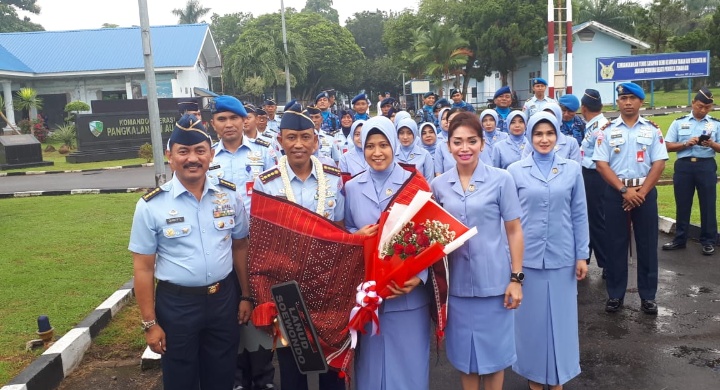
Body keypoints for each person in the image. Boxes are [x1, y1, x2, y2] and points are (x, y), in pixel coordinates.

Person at [129, 114, 253, 390]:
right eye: (183, 152)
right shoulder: (151, 205)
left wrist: (246, 295)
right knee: (180, 377)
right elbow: (143, 267)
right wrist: (150, 323)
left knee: (222, 373)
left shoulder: (228, 196)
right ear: (170, 156)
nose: (192, 158)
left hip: (224, 299)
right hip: (177, 305)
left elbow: (240, 246)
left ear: (210, 154)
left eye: (199, 151)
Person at [253, 103, 346, 390]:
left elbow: (340, 230)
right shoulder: (266, 183)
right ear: (279, 141)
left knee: (333, 366)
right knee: (292, 370)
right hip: (286, 289)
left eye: (306, 137)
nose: (298, 144)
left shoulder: (333, 177)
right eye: (291, 137)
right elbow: (260, 243)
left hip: (327, 286)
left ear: (316, 141)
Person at [431, 111, 523, 390]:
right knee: (465, 359)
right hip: (457, 288)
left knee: (495, 359)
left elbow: (514, 230)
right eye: (457, 142)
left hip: (494, 285)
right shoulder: (438, 186)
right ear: (448, 146)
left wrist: (516, 279)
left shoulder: (501, 179)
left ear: (482, 143)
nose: (465, 148)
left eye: (472, 141)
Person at [344, 116, 432, 390]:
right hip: (368, 296)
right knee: (371, 367)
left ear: (394, 145)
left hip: (407, 296)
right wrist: (355, 237)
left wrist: (419, 276)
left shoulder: (415, 184)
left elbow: (431, 233)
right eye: (370, 145)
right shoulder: (351, 188)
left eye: (383, 144)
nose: (377, 152)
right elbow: (346, 231)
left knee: (409, 366)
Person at [507, 112, 589, 390]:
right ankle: (534, 378)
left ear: (558, 136)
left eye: (550, 133)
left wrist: (581, 254)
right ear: (529, 136)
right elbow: (508, 221)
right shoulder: (515, 171)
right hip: (527, 260)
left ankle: (558, 380)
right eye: (538, 134)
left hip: (562, 258)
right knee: (532, 326)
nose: (544, 139)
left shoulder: (571, 169)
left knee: (562, 325)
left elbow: (579, 213)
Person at [593, 82, 668, 314]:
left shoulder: (653, 131)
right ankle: (615, 294)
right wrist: (625, 191)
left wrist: (642, 192)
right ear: (617, 102)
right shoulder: (605, 131)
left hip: (644, 192)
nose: (627, 102)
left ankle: (648, 297)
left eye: (632, 98)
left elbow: (659, 162)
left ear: (641, 102)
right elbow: (601, 164)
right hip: (616, 193)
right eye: (623, 98)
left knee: (647, 244)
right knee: (615, 244)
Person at [663, 87, 720, 256]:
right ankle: (680, 239)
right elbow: (666, 145)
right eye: (700, 106)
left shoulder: (716, 124)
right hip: (684, 166)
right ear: (693, 103)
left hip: (706, 165)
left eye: (707, 107)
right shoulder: (678, 122)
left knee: (708, 204)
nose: (702, 110)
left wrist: (712, 144)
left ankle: (709, 241)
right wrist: (685, 144)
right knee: (683, 203)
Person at [209, 96, 276, 213]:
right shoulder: (208, 155)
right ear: (213, 124)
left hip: (256, 224)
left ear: (244, 120)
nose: (228, 124)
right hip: (221, 227)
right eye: (222, 119)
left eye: (234, 118)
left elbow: (274, 190)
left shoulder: (263, 150)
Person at [579, 89, 610, 275]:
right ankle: (587, 256)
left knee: (596, 220)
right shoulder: (592, 124)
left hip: (595, 176)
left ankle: (607, 262)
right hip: (589, 174)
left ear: (583, 108)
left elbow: (599, 157)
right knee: (588, 218)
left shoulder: (601, 127)